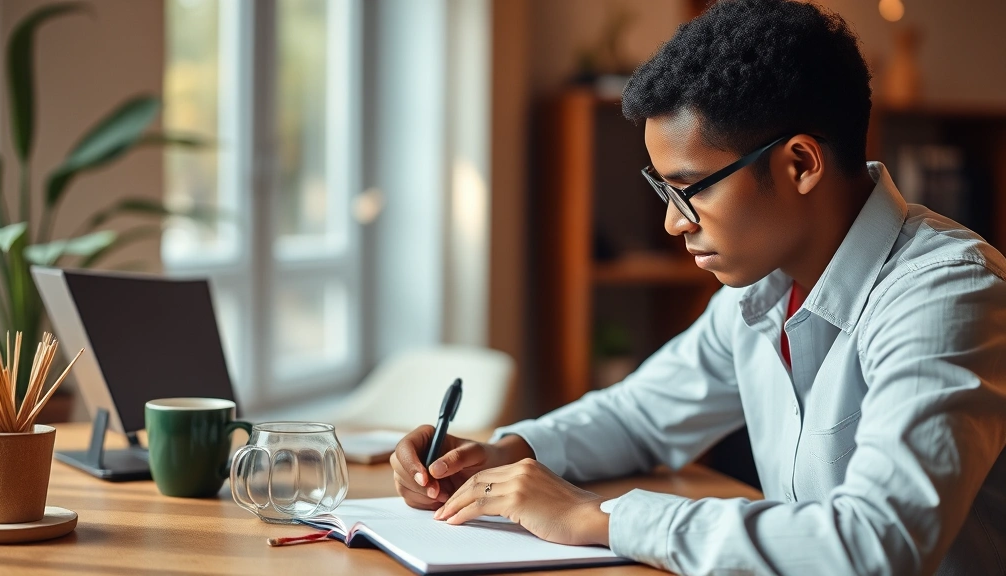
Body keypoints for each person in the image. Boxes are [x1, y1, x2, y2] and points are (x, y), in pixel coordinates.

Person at [390, 0, 1006, 573]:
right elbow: (640, 415)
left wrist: (601, 518)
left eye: (691, 189)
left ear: (800, 164)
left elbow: (879, 542)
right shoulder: (760, 291)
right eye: (664, 189)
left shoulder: (946, 297)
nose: (672, 222)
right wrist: (507, 452)